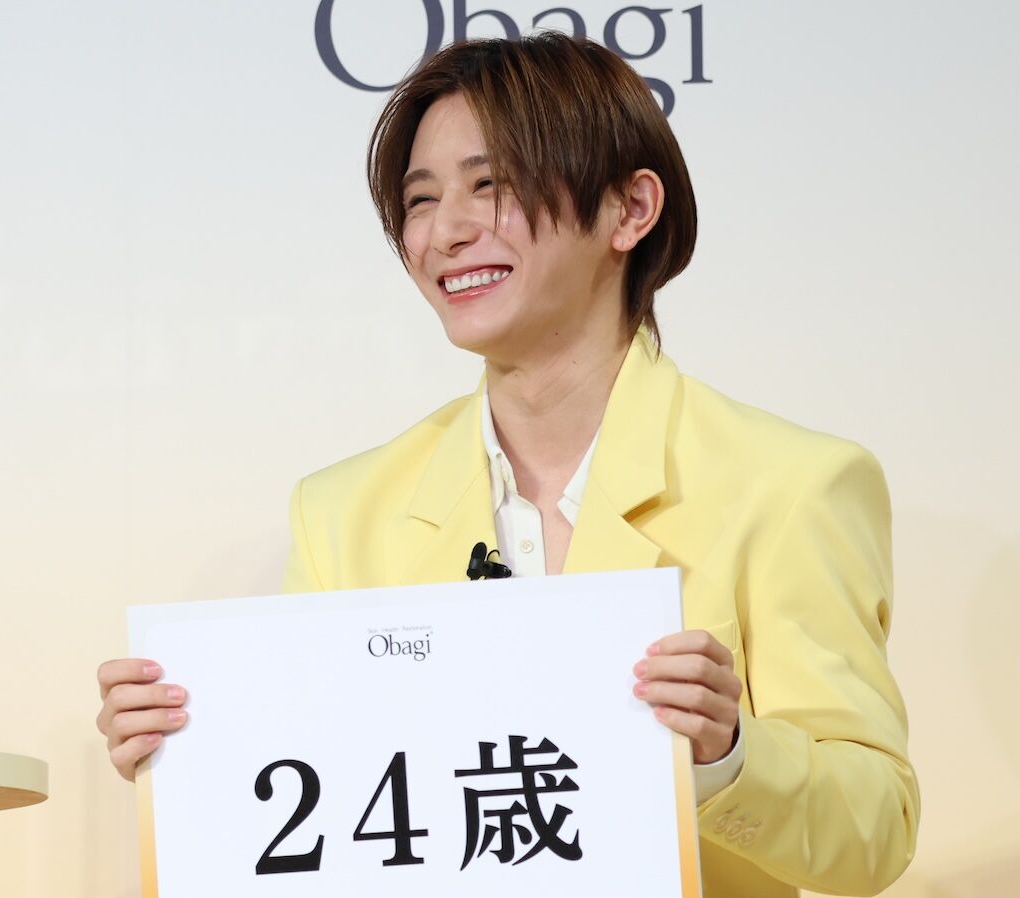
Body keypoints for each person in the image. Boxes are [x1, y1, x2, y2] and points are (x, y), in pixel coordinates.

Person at [97, 33, 919, 897]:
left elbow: (875, 829)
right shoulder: (342, 512)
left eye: (490, 185)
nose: (446, 232)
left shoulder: (790, 485)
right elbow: (329, 821)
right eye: (421, 199)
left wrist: (730, 753)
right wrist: (194, 758)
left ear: (631, 209)